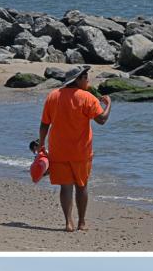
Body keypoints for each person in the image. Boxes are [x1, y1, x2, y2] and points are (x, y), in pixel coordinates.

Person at [38, 65, 113, 232]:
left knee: (65, 187)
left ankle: (68, 222)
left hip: (58, 149)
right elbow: (102, 120)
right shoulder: (87, 97)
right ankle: (82, 222)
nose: (88, 80)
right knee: (82, 186)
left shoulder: (53, 96)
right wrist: (108, 104)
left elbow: (44, 124)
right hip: (81, 151)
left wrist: (42, 145)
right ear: (78, 79)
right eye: (86, 77)